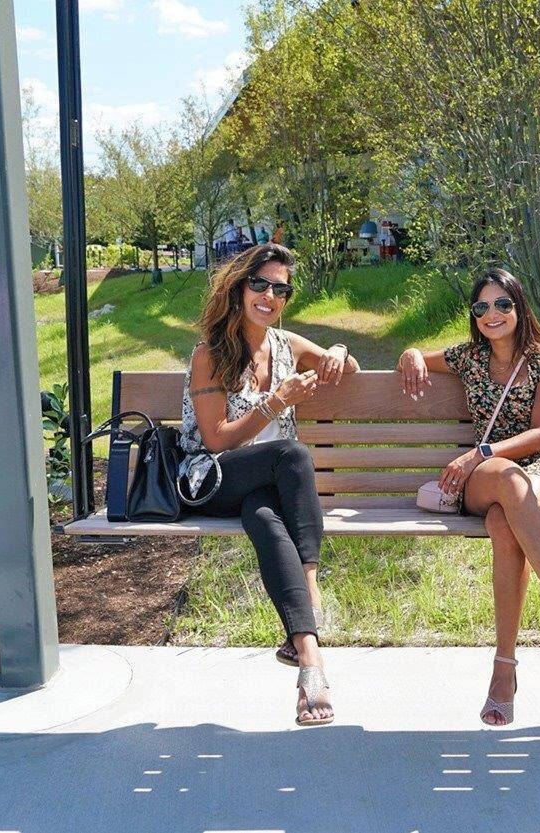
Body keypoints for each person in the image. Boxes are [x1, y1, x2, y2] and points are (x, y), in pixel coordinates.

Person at [396, 268, 540, 727]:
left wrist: (479, 452)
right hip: (484, 478)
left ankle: (503, 670)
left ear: (519, 306)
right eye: (482, 307)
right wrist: (410, 352)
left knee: (506, 522)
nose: (493, 314)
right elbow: (420, 358)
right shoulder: (469, 357)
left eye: (502, 304)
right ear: (474, 316)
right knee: (508, 484)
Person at [181, 243, 359, 726]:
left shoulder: (286, 345)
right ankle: (312, 592)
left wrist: (340, 350)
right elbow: (215, 440)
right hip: (212, 478)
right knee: (293, 453)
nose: (270, 295)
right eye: (259, 284)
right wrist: (276, 402)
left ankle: (308, 658)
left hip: (265, 487)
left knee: (263, 517)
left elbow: (343, 366)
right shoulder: (210, 354)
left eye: (281, 288)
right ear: (239, 288)